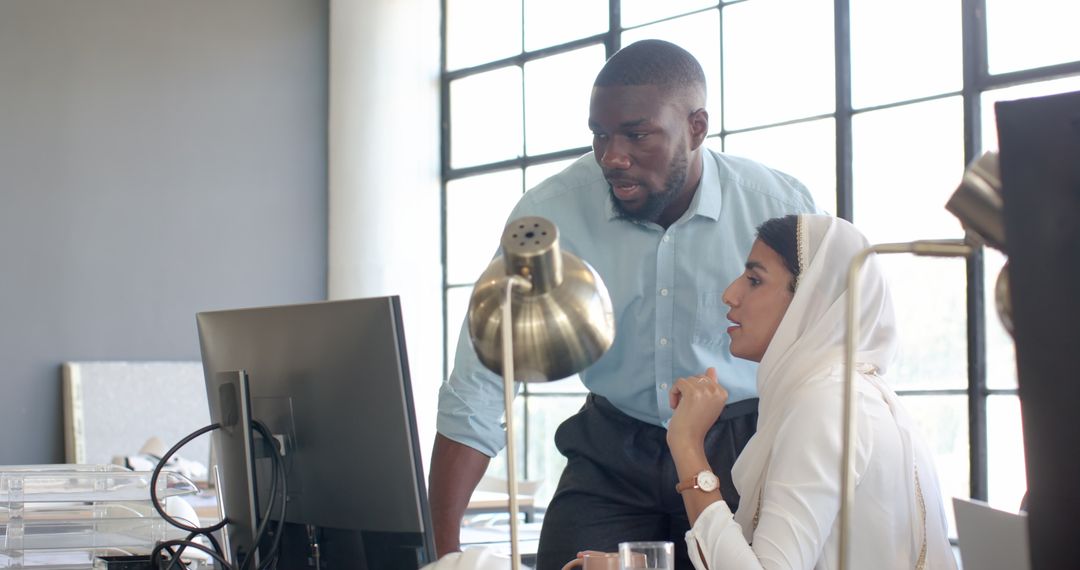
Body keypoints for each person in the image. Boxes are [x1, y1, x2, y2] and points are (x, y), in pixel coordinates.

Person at [430, 39, 818, 570]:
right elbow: (479, 382)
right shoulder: (548, 216)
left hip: (740, 443)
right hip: (612, 448)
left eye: (637, 135)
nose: (613, 156)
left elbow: (821, 351)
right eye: (600, 135)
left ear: (697, 127)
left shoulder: (780, 209)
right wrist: (444, 554)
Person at [666, 214, 957, 569]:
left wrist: (687, 444)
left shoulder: (828, 403)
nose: (730, 294)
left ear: (810, 298)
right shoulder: (842, 391)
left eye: (754, 280)